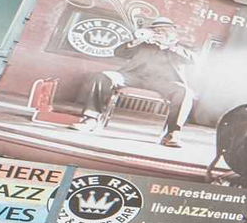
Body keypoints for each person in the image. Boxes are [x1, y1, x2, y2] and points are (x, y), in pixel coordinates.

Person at [73, 17, 197, 147]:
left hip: (164, 82)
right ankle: (91, 119)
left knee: (184, 91)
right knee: (104, 76)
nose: (159, 32)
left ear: (172, 32)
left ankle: (172, 133)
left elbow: (194, 60)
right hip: (133, 76)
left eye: (163, 30)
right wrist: (136, 41)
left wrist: (170, 46)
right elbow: (119, 52)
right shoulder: (143, 42)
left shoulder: (181, 47)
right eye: (156, 30)